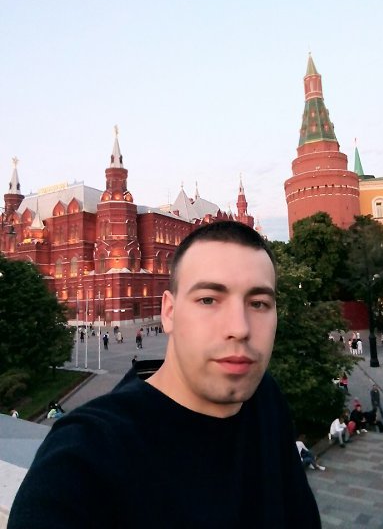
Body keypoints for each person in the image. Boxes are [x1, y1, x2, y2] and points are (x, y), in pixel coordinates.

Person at [8, 221, 321, 528]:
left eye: (259, 303)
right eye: (208, 299)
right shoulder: (83, 455)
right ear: (168, 312)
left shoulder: (266, 397)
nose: (239, 328)